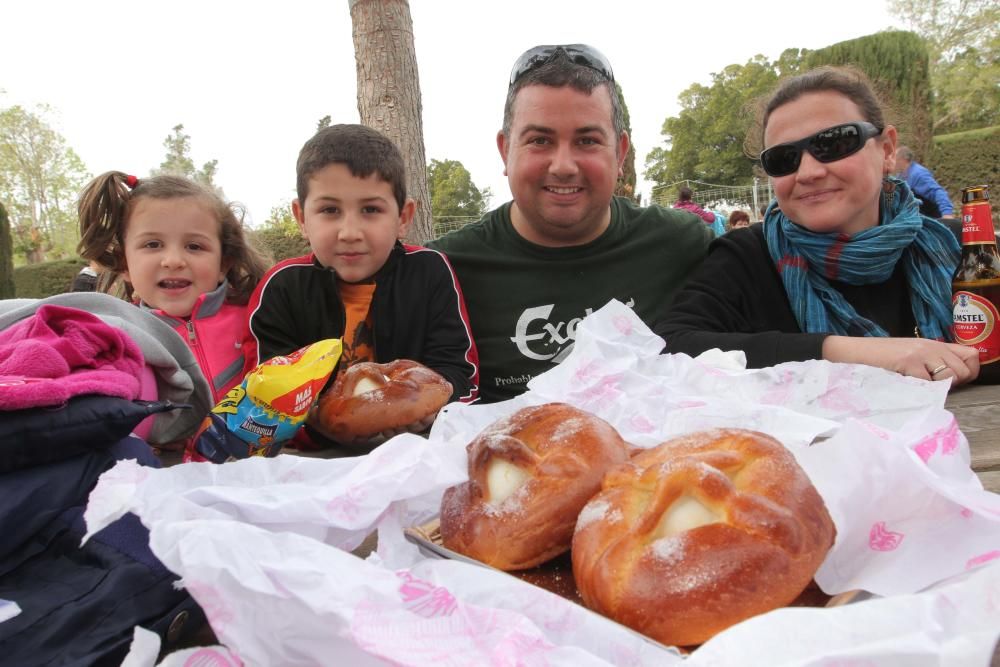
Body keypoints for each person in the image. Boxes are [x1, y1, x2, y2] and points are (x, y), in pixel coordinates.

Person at [657, 66, 979, 385]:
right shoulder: (747, 258)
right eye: (784, 159)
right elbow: (671, 350)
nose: (808, 172)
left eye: (835, 144)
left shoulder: (965, 252)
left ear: (887, 150)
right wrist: (847, 352)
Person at [429, 44, 713, 402]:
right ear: (505, 151)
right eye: (540, 140)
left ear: (620, 153)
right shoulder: (441, 271)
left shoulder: (683, 245)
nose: (563, 165)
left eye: (587, 140)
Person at [247, 124, 479, 445]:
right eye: (330, 210)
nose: (350, 232)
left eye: (371, 210)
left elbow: (459, 373)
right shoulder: (282, 287)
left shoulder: (429, 271)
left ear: (403, 217)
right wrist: (321, 427)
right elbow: (265, 393)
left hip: (419, 451)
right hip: (314, 459)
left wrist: (431, 414)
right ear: (301, 217)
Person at [77, 171, 271, 405]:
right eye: (153, 244)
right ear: (124, 263)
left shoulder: (258, 319)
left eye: (194, 246)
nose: (173, 260)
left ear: (223, 263)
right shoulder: (117, 339)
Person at [895, 146, 955, 220]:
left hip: (932, 219)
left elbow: (938, 192)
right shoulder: (900, 175)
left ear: (903, 159)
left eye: (894, 158)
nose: (892, 162)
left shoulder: (918, 174)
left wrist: (947, 213)